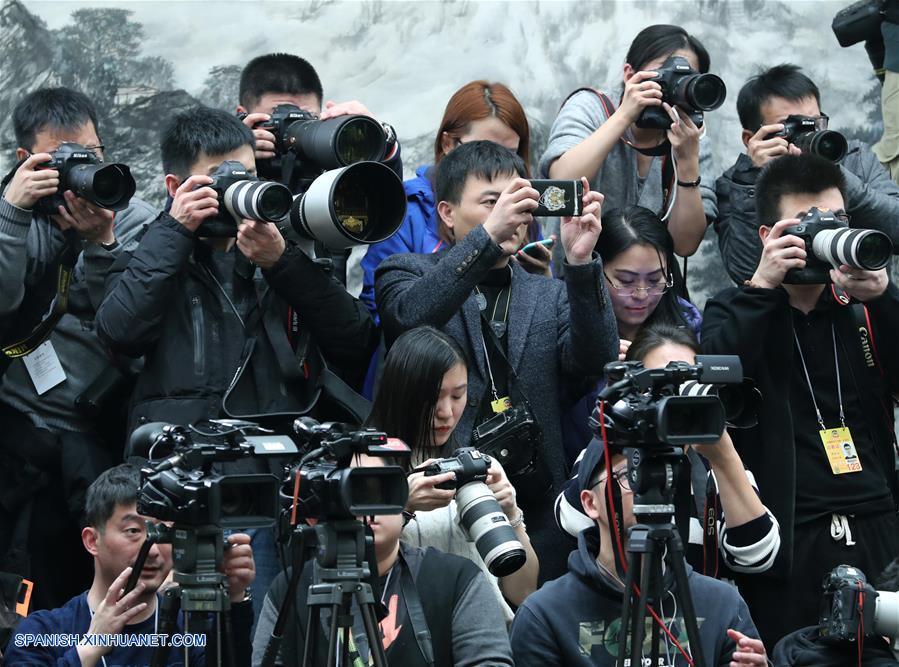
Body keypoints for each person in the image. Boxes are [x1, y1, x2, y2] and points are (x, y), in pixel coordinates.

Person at [94, 105, 377, 618]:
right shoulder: (151, 250)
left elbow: (355, 341)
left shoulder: (281, 251)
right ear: (175, 184)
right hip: (181, 488)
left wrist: (283, 263)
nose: (231, 192)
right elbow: (118, 332)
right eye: (216, 179)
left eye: (242, 178)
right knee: (182, 634)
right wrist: (175, 229)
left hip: (269, 490)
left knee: (263, 631)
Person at [375, 140, 618, 582]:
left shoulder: (549, 292)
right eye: (492, 202)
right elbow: (409, 320)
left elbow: (596, 361)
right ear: (447, 213)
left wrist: (580, 263)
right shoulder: (405, 271)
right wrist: (486, 239)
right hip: (438, 498)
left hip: (535, 502)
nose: (512, 213)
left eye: (518, 200)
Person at [702, 152, 899, 647]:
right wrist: (764, 284)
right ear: (768, 235)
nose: (820, 237)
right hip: (788, 537)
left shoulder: (865, 305)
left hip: (879, 528)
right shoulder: (735, 305)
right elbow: (717, 391)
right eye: (804, 227)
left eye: (834, 223)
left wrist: (884, 297)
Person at [0, 87, 156, 611]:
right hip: (17, 429)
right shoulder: (15, 213)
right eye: (61, 160)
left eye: (89, 156)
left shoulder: (136, 218)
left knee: (91, 583)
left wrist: (102, 244)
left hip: (95, 432)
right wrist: (12, 213)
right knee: (24, 586)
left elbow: (129, 327)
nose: (79, 173)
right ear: (27, 160)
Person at [509, 437, 767, 666]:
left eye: (659, 473)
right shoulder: (545, 615)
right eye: (629, 476)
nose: (648, 487)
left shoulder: (722, 604)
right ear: (590, 503)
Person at [557, 323, 780, 580]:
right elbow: (572, 521)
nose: (677, 396)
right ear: (633, 392)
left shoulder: (715, 461)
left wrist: (724, 457)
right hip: (617, 607)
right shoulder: (609, 453)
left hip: (700, 612)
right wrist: (620, 433)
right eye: (663, 383)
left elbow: (756, 557)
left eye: (689, 380)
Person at [251, 453, 514, 667]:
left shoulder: (455, 579)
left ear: (402, 496)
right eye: (356, 491)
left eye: (381, 489)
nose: (370, 508)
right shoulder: (291, 588)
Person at [366, 325, 539, 621]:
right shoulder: (364, 468)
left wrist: (511, 514)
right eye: (433, 398)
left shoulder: (475, 468)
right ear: (401, 393)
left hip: (484, 640)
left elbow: (522, 592)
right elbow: (352, 576)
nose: (446, 412)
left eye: (458, 396)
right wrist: (401, 504)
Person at [4, 463, 256, 666]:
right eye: (134, 530)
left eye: (164, 532)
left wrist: (235, 597)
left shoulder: (191, 630)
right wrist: (88, 649)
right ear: (92, 540)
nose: (153, 549)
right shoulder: (43, 632)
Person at [360, 80, 548, 322]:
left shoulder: (523, 209)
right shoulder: (406, 210)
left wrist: (540, 278)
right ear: (448, 143)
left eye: (511, 153)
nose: (498, 160)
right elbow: (382, 312)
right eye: (483, 147)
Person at [540, 24, 717, 258]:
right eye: (665, 75)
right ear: (629, 75)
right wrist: (624, 115)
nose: (675, 85)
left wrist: (687, 162)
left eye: (686, 79)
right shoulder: (590, 106)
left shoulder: (690, 135)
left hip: (643, 287)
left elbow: (684, 245)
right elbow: (560, 185)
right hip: (574, 275)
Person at [714, 63, 899, 284]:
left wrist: (832, 172)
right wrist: (754, 178)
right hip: (781, 310)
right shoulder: (737, 183)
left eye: (814, 124)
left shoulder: (854, 158)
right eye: (789, 128)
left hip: (855, 301)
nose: (806, 136)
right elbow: (745, 272)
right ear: (750, 138)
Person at [236, 52, 401, 294]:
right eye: (278, 119)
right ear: (243, 115)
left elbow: (385, 203)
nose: (294, 133)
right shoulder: (225, 165)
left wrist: (378, 140)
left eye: (308, 119)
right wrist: (233, 153)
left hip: (324, 309)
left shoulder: (333, 174)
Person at [561, 206, 702, 463]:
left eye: (654, 280)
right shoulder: (565, 323)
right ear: (597, 270)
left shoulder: (688, 324)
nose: (640, 294)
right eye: (625, 281)